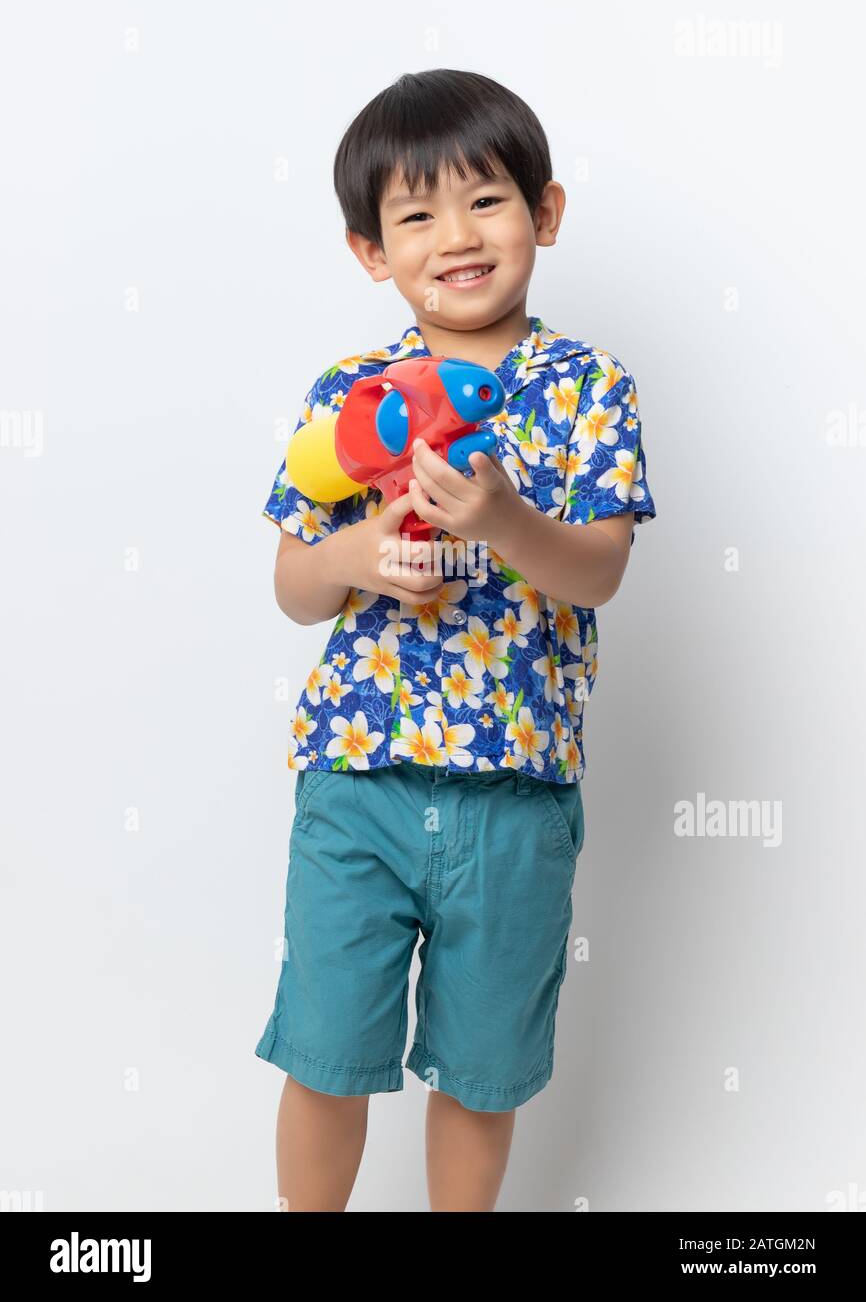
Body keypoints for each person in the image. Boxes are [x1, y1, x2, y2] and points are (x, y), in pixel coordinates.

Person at [254, 68, 657, 1211]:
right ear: (370, 252)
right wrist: (352, 559)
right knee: (325, 1052)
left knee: (482, 1074)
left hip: (516, 793)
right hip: (358, 784)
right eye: (414, 215)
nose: (455, 237)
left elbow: (601, 570)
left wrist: (502, 519)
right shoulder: (351, 396)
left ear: (546, 212)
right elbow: (291, 583)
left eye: (484, 201)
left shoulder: (586, 389)